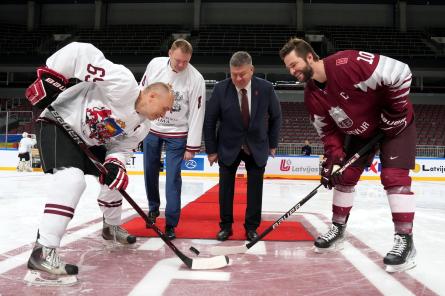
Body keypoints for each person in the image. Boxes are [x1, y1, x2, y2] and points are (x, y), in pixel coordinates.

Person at [23, 42, 174, 284]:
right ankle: (43, 250)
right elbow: (79, 52)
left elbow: (120, 147)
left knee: (115, 180)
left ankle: (110, 227)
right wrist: (51, 76)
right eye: (165, 108)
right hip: (58, 123)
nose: (165, 114)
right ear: (152, 95)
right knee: (71, 180)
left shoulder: (143, 126)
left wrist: (115, 163)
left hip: (87, 140)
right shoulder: (124, 84)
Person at [280, 38, 417, 273]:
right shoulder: (312, 95)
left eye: (294, 65)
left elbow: (401, 72)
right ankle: (338, 229)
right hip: (360, 134)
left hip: (395, 125)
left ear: (310, 57)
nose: (292, 71)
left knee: (394, 177)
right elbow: (328, 133)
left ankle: (405, 240)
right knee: (343, 176)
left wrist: (394, 113)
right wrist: (333, 161)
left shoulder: (347, 63)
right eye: (289, 68)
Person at [204, 51, 282, 241]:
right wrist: (212, 150)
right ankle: (226, 226)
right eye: (234, 74)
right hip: (228, 146)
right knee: (225, 190)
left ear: (252, 70)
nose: (238, 78)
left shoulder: (266, 88)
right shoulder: (221, 89)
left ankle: (251, 227)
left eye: (242, 74)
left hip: (257, 145)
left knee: (255, 190)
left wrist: (272, 144)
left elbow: (276, 116)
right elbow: (210, 120)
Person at [139, 39, 205, 240]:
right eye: (178, 60)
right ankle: (153, 209)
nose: (181, 65)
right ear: (169, 53)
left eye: (185, 61)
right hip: (153, 127)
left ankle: (171, 223)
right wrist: (138, 127)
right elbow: (141, 93)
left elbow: (197, 112)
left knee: (173, 178)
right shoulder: (155, 65)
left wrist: (191, 146)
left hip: (178, 133)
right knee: (150, 170)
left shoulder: (196, 79)